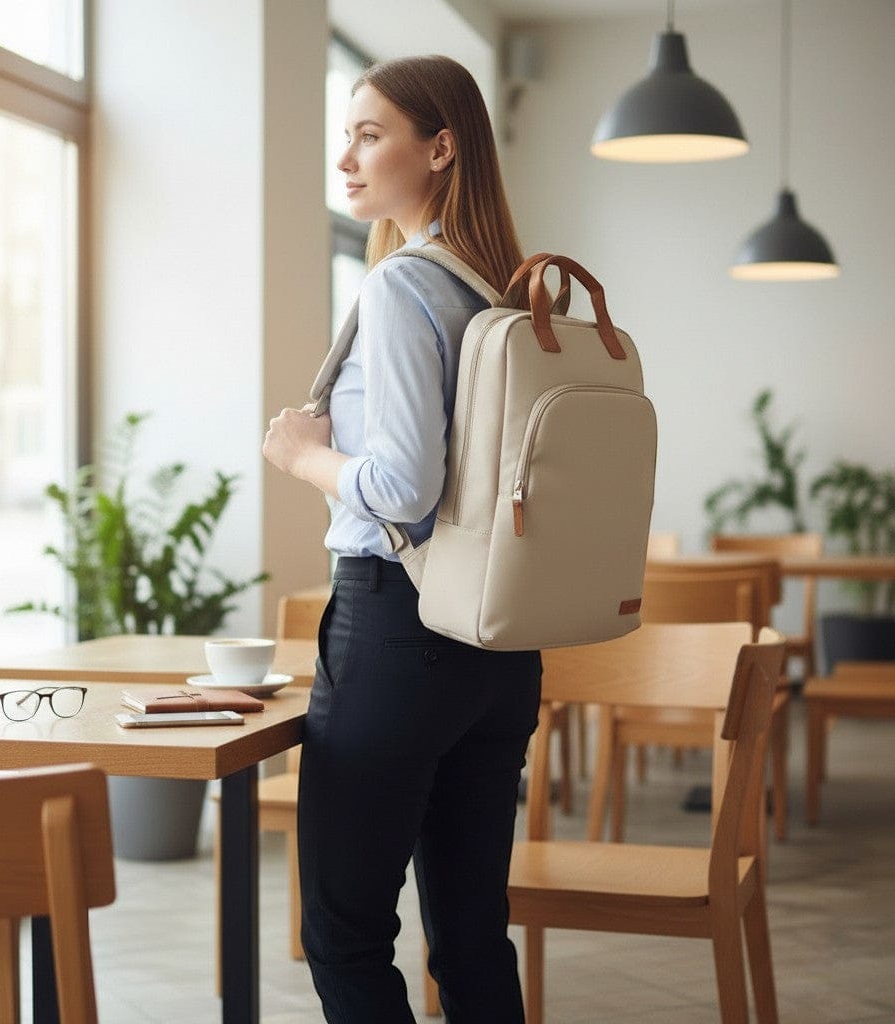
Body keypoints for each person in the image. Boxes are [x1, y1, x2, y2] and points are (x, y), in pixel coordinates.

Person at [262, 54, 540, 1024]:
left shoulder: (399, 288)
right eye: (346, 134)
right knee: (468, 934)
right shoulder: (501, 291)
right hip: (498, 646)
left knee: (342, 931)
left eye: (369, 134)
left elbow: (399, 493)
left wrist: (302, 456)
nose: (346, 156)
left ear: (441, 146)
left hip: (396, 631)